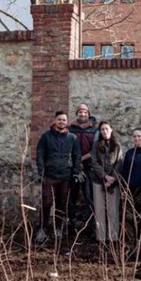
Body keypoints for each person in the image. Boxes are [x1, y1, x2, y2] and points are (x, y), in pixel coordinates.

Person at [35, 111, 81, 244]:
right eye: (59, 119)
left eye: (64, 120)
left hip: (65, 176)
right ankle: (42, 229)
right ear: (55, 121)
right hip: (49, 175)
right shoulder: (46, 137)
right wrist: (41, 171)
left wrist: (75, 171)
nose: (62, 122)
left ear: (67, 122)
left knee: (61, 204)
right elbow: (40, 154)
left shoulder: (72, 138)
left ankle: (58, 229)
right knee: (46, 203)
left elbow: (77, 156)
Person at [89, 121, 123, 245]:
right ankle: (101, 238)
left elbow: (119, 163)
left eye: (107, 129)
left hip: (113, 183)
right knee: (99, 210)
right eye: (102, 129)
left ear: (111, 130)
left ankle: (113, 238)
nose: (105, 131)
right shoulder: (96, 145)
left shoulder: (117, 145)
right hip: (98, 181)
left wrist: (112, 178)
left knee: (113, 210)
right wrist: (104, 177)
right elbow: (94, 162)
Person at [68, 103, 98, 233]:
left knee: (89, 198)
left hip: (88, 169)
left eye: (85, 112)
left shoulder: (94, 130)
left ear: (88, 114)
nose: (82, 114)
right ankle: (71, 226)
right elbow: (67, 147)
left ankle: (91, 227)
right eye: (80, 112)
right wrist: (75, 163)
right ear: (77, 113)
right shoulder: (70, 129)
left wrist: (80, 159)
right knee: (71, 198)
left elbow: (94, 151)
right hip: (73, 169)